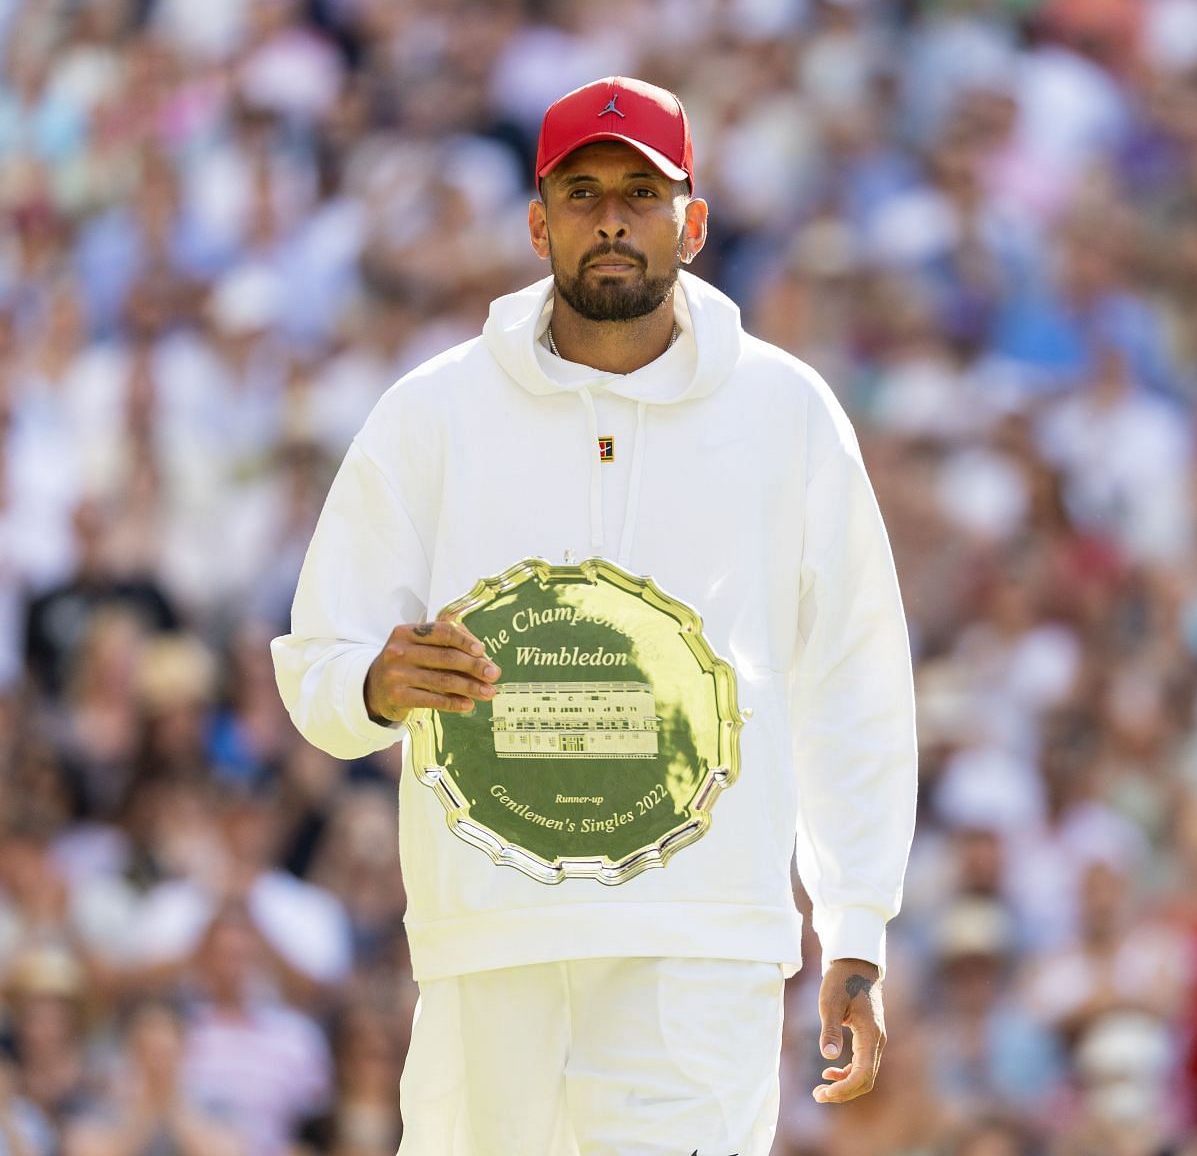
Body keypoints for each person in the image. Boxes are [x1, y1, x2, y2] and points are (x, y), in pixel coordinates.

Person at [271, 76, 919, 1155]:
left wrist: (856, 921)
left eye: (641, 192)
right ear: (538, 222)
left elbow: (854, 674)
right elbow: (317, 669)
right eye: (581, 194)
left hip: (702, 940)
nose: (611, 218)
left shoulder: (786, 411)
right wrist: (376, 685)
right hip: (491, 935)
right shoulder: (430, 413)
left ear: (692, 223)